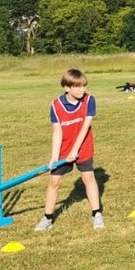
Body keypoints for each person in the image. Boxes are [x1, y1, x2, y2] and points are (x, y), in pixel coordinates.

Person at [35, 68, 105, 231]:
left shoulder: (89, 101)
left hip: (83, 145)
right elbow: (57, 132)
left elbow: (85, 127)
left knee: (88, 177)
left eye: (84, 86)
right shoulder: (56, 105)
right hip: (64, 149)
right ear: (67, 88)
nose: (83, 90)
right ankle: (48, 217)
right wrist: (54, 157)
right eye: (78, 87)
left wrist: (75, 150)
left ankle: (97, 213)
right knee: (54, 182)